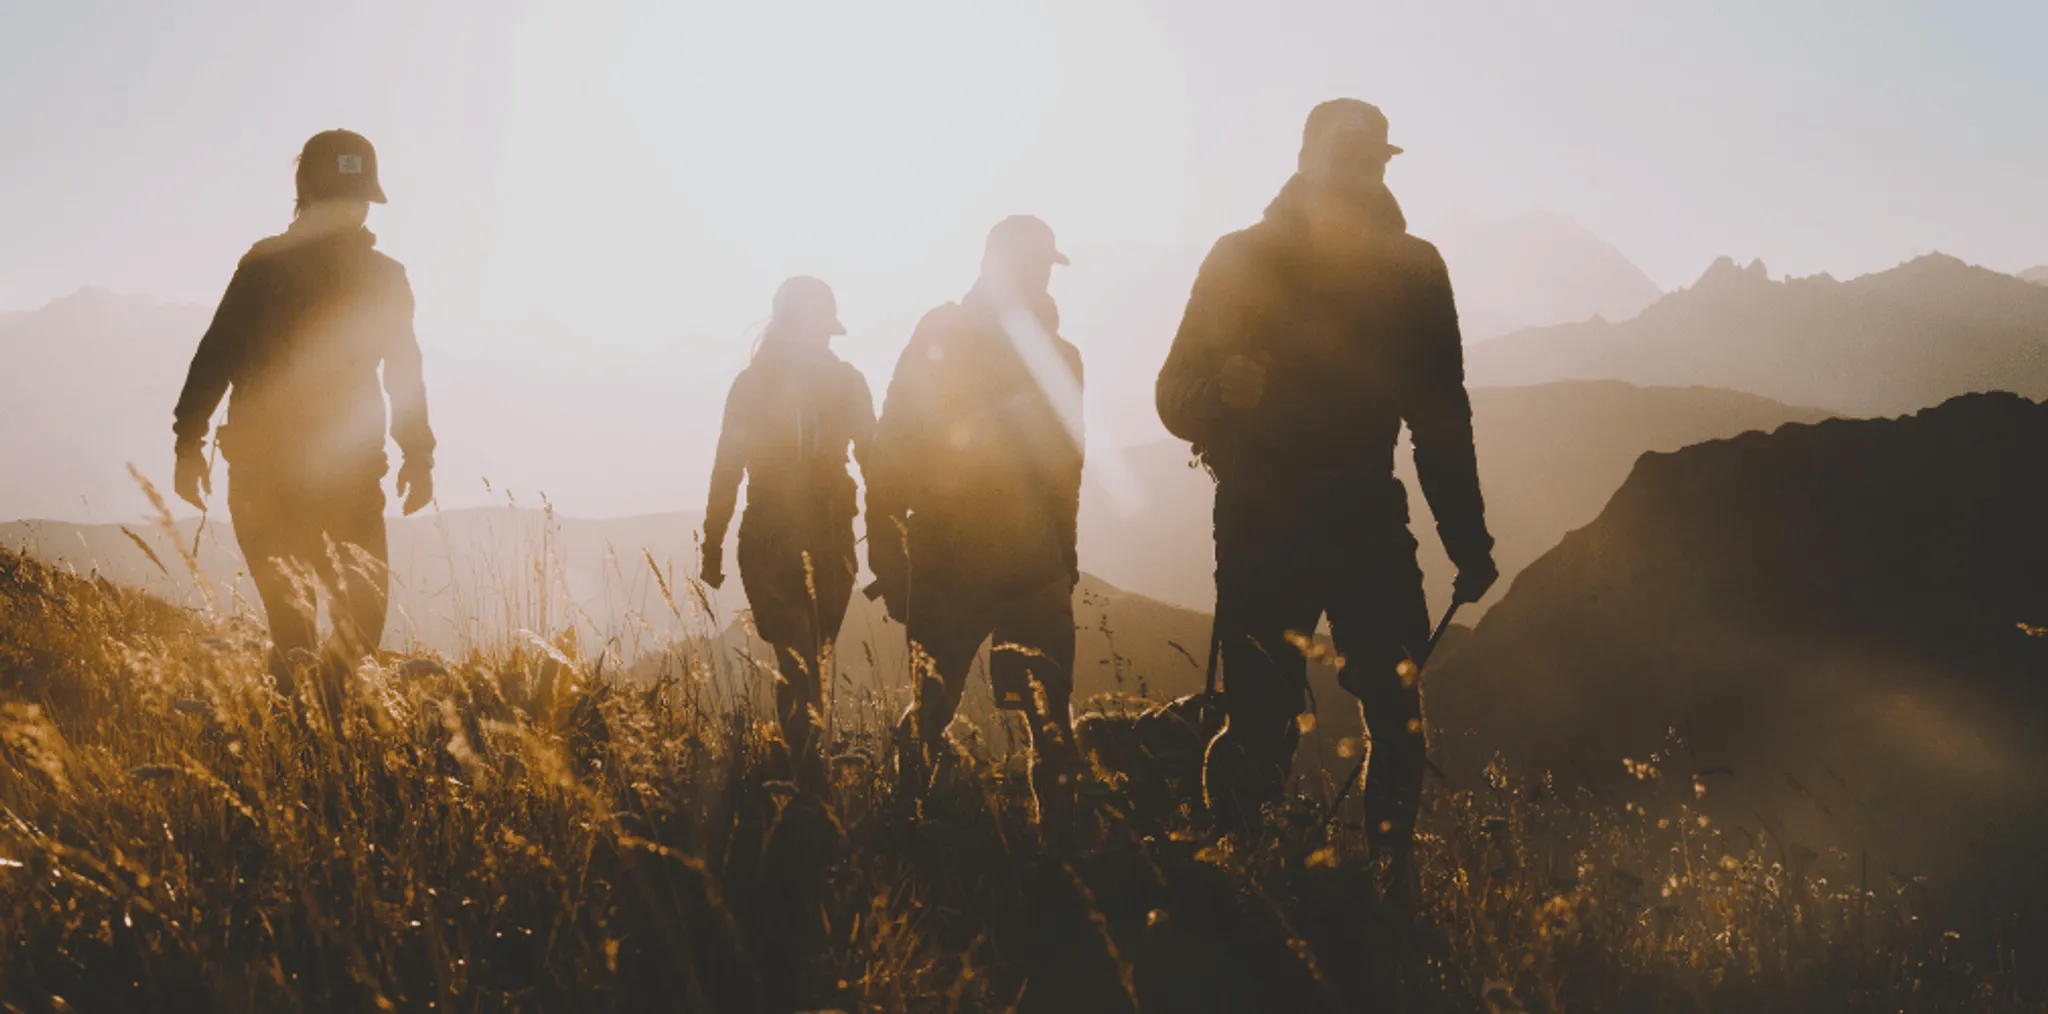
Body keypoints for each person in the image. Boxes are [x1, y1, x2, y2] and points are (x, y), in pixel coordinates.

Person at [1156, 100, 1498, 876]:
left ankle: (1370, 887)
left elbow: (1441, 417)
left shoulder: (1415, 269)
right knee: (1266, 719)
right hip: (1288, 518)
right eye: (1345, 157)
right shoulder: (1244, 258)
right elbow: (1173, 393)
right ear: (1306, 158)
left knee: (1386, 717)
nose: (1358, 171)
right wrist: (1217, 395)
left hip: (1321, 519)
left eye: (1370, 159)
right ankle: (1259, 875)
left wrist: (1469, 542)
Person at [172, 129, 436, 715]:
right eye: (341, 196)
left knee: (359, 626)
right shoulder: (266, 267)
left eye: (357, 196)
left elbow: (403, 371)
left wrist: (419, 455)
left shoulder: (382, 277)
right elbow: (217, 353)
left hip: (340, 477)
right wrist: (187, 443)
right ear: (310, 199)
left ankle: (313, 744)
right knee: (299, 633)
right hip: (274, 479)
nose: (351, 208)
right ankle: (306, 754)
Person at [866, 215, 1085, 842]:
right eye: (1034, 263)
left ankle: (907, 828)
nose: (1041, 274)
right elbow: (897, 442)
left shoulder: (1042, 352)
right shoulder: (963, 339)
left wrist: (1062, 553)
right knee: (1027, 717)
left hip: (987, 559)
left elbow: (1066, 465)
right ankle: (1056, 853)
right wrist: (887, 546)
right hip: (975, 558)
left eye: (1045, 264)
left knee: (993, 714)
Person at [701, 276, 875, 791]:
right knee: (801, 658)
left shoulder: (773, 384)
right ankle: (806, 773)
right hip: (791, 539)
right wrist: (711, 545)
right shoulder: (769, 386)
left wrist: (713, 545)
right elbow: (727, 468)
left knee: (808, 659)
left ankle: (799, 771)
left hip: (804, 537)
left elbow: (875, 461)